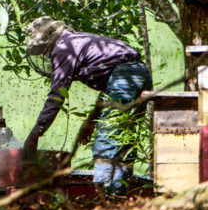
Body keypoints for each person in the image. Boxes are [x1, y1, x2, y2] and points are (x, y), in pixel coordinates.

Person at [23, 16, 152, 195]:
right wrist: (90, 122)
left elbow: (56, 96)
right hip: (139, 74)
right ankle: (117, 195)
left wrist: (35, 134)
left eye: (43, 51)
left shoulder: (63, 48)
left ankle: (104, 196)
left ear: (47, 41)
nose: (46, 56)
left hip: (126, 77)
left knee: (107, 140)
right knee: (125, 140)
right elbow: (109, 89)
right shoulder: (74, 41)